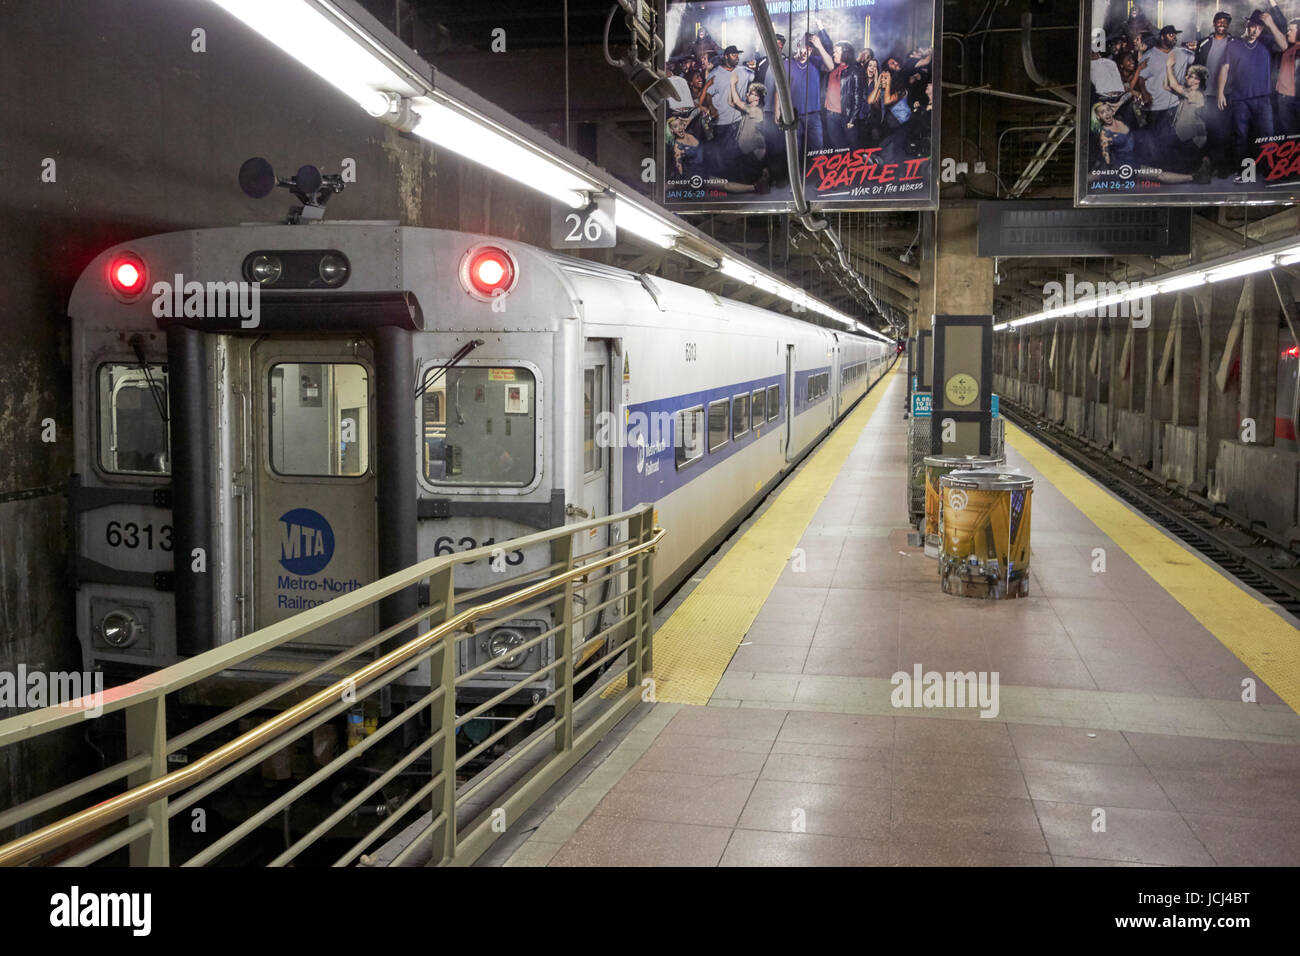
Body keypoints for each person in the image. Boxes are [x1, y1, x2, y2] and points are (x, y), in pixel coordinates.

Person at [1219, 10, 1280, 178]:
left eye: (1259, 28)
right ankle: (1246, 172)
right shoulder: (1233, 45)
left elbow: (1283, 45)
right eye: (1253, 26)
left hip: (1263, 98)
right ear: (1247, 25)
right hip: (1240, 99)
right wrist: (1220, 93)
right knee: (1241, 136)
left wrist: (1271, 24)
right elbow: (1225, 68)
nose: (1255, 31)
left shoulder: (1266, 42)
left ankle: (1270, 171)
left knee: (1267, 136)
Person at [1196, 10, 1237, 175]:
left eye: (1225, 22)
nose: (1222, 24)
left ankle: (1224, 166)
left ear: (1228, 25)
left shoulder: (1234, 42)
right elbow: (1196, 67)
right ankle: (1210, 165)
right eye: (1219, 21)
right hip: (1208, 95)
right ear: (1214, 23)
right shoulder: (1204, 42)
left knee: (1226, 131)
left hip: (1228, 94)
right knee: (1211, 130)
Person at [1163, 56, 1213, 182]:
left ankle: (1205, 165)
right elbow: (1166, 86)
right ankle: (1203, 165)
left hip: (1194, 137)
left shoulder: (1196, 94)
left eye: (1195, 78)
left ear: (1200, 81)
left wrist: (1170, 66)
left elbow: (1174, 85)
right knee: (1181, 166)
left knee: (1186, 168)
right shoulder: (1188, 92)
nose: (1192, 79)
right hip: (1185, 136)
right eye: (1190, 76)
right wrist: (1166, 69)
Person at [784, 32, 832, 160]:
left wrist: (820, 46)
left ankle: (817, 178)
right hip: (794, 115)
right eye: (806, 47)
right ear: (798, 45)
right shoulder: (788, 64)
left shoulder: (816, 62)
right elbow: (780, 90)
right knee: (795, 151)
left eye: (811, 48)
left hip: (813, 116)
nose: (808, 50)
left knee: (817, 150)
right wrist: (779, 112)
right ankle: (796, 178)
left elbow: (831, 66)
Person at [1262, 0, 1300, 132]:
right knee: (1284, 132)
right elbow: (1281, 23)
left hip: (1295, 99)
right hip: (1281, 97)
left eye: (1292, 30)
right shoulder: (1287, 45)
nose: (1288, 32)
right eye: (1288, 30)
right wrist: (1272, 2)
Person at [819, 38, 861, 149]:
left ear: (845, 53)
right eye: (834, 52)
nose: (834, 54)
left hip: (845, 115)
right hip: (830, 114)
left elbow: (858, 98)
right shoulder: (832, 68)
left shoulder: (854, 71)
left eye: (837, 51)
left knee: (850, 146)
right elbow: (827, 46)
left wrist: (852, 119)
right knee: (835, 145)